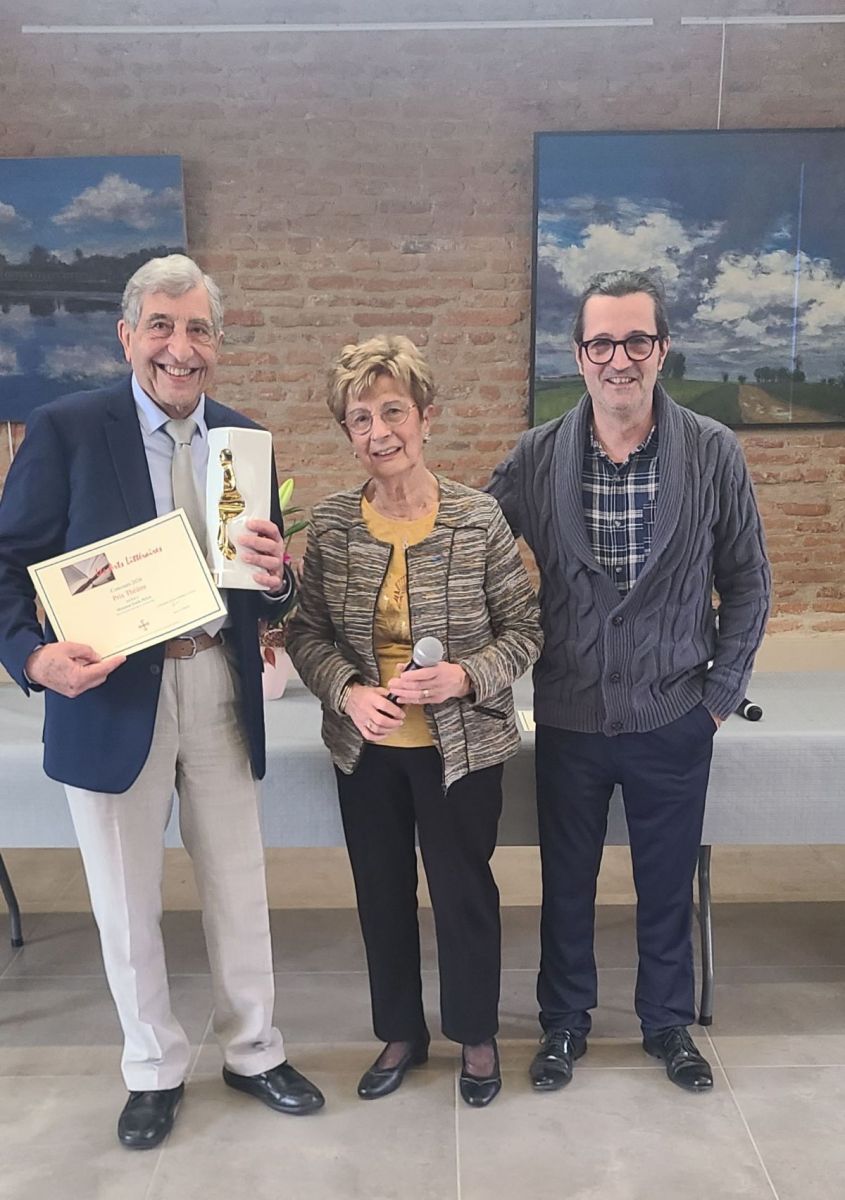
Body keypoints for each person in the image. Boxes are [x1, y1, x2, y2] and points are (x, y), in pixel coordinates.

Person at [0, 254, 324, 1148]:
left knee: (239, 884)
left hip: (219, 680)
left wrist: (280, 580)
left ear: (217, 343)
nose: (181, 348)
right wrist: (34, 658)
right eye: (162, 327)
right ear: (127, 336)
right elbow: (5, 566)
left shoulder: (244, 440)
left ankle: (253, 1050)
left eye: (198, 330)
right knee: (124, 898)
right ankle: (151, 1067)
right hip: (107, 694)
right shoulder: (66, 431)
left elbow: (266, 589)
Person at [488, 270, 771, 1093]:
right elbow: (469, 542)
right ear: (578, 355)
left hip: (674, 714)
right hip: (570, 715)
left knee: (665, 882)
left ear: (662, 349)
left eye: (636, 340)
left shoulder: (712, 451)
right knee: (565, 885)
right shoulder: (537, 456)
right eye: (602, 342)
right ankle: (563, 1023)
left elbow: (748, 583)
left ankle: (666, 1023)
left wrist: (716, 700)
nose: (620, 359)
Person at [286, 335, 543, 1108]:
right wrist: (345, 691)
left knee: (463, 894)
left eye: (392, 411)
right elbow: (306, 633)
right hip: (367, 750)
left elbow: (525, 630)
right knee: (380, 893)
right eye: (360, 419)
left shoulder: (477, 517)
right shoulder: (334, 525)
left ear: (425, 417)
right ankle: (399, 1031)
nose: (379, 433)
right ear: (348, 433)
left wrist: (465, 675)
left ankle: (475, 1033)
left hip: (461, 749)